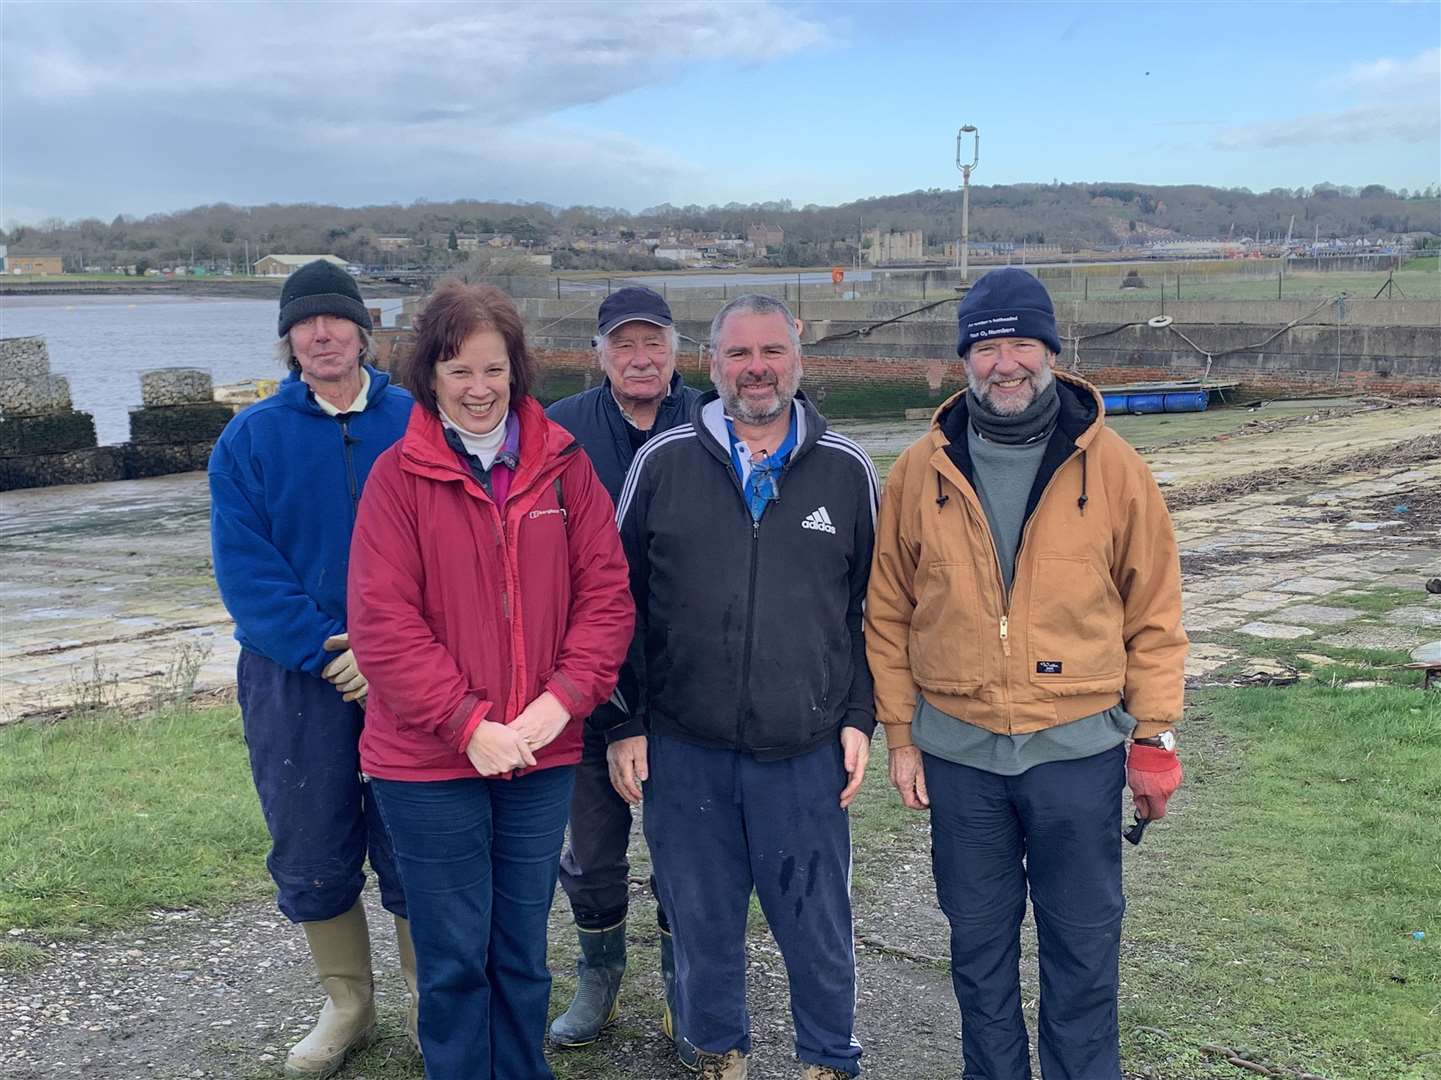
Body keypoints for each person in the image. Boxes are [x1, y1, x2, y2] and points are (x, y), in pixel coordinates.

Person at [865, 268, 1187, 1080]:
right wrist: (900, 735)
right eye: (984, 346)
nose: (1003, 363)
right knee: (976, 950)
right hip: (959, 755)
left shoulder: (1114, 469)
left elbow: (1154, 612)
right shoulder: (917, 472)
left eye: (1019, 344)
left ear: (1051, 350)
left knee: (1082, 951)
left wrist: (1151, 737)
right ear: (963, 360)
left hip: (1075, 753)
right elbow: (888, 614)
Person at [346, 281, 634, 1079]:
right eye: (458, 371)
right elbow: (383, 624)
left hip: (539, 754)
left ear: (517, 370)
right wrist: (469, 725)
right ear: (430, 378)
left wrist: (560, 703)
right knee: (452, 960)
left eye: (493, 369)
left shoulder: (564, 468)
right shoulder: (396, 478)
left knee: (520, 951)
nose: (478, 389)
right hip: (429, 763)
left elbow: (606, 598)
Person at [611, 294, 878, 1080]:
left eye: (771, 352)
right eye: (737, 354)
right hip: (683, 747)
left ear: (798, 361)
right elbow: (612, 601)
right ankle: (717, 1055)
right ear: (711, 364)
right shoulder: (659, 464)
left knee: (817, 923)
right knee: (700, 922)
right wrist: (624, 722)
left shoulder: (846, 469)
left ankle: (829, 1059)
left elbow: (877, 609)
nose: (755, 368)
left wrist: (859, 715)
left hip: (803, 749)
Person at [208, 259, 415, 1077]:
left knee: (417, 837)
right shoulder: (250, 438)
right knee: (310, 837)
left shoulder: (416, 420)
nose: (321, 335)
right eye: (305, 324)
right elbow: (246, 570)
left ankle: (434, 998)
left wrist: (389, 650)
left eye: (335, 321)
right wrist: (331, 654)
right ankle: (348, 1007)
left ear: (364, 331)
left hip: (410, 673)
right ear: (289, 338)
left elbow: (451, 547)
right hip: (296, 680)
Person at [543, 286, 703, 1054]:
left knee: (685, 843)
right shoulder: (559, 430)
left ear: (678, 348)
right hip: (583, 674)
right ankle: (598, 976)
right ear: (598, 354)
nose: (640, 358)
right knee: (592, 844)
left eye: (654, 343)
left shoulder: (713, 418)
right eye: (623, 345)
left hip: (687, 676)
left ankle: (686, 982)